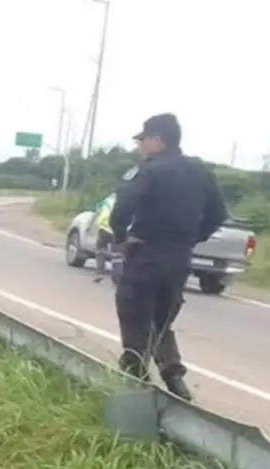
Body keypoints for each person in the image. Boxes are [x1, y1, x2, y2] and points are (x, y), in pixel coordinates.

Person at [109, 113, 229, 401]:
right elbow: (218, 214)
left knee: (135, 316)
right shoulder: (200, 171)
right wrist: (191, 238)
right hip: (178, 260)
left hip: (145, 255)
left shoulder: (150, 171)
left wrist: (122, 239)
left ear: (158, 140)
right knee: (161, 321)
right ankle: (174, 376)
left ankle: (134, 388)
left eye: (144, 140)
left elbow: (121, 210)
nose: (141, 146)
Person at [92, 192, 116, 283]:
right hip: (116, 230)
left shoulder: (106, 202)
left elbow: (98, 211)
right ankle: (117, 276)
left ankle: (100, 273)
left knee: (100, 251)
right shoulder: (121, 202)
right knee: (117, 254)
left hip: (104, 229)